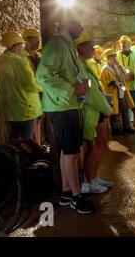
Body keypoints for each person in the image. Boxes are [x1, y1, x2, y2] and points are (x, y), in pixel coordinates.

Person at [36, 21, 94, 214]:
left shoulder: (66, 45)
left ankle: (67, 192)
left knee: (66, 152)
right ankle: (76, 198)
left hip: (67, 105)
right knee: (70, 153)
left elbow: (67, 73)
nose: (81, 28)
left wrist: (79, 83)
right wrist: (71, 88)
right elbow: (42, 76)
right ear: (68, 25)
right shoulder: (57, 45)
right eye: (77, 24)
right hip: (61, 107)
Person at [75, 32, 114, 194]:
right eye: (89, 46)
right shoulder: (79, 66)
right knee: (94, 147)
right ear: (80, 48)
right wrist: (106, 108)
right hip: (92, 111)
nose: (92, 48)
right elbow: (91, 92)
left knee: (101, 144)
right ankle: (88, 180)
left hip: (96, 111)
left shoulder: (84, 64)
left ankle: (94, 177)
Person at [0, 32, 42, 140]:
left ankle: (14, 157)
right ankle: (26, 157)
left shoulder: (1, 60)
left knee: (15, 137)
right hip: (24, 107)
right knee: (27, 140)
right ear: (16, 45)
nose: (23, 46)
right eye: (22, 44)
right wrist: (42, 87)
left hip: (10, 109)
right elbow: (29, 84)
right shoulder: (18, 61)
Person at [100, 49, 135, 135]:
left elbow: (125, 75)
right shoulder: (105, 69)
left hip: (121, 90)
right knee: (115, 111)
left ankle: (126, 127)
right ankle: (116, 130)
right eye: (112, 57)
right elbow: (102, 81)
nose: (114, 58)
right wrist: (113, 82)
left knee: (125, 108)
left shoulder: (117, 66)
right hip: (113, 92)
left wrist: (120, 67)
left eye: (115, 56)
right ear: (107, 58)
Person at [22, 28, 43, 145]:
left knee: (39, 118)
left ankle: (38, 144)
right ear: (27, 40)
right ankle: (34, 146)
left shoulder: (38, 56)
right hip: (29, 92)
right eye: (35, 39)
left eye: (38, 39)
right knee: (32, 119)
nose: (38, 41)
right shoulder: (22, 56)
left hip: (39, 90)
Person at [117, 35, 135, 127]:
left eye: (125, 43)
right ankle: (125, 123)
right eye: (122, 43)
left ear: (129, 44)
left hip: (132, 84)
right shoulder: (117, 55)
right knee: (123, 105)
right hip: (121, 86)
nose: (123, 45)